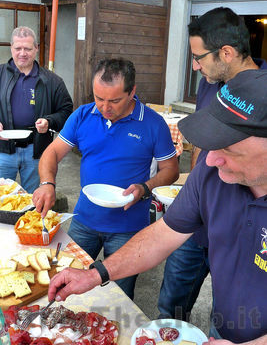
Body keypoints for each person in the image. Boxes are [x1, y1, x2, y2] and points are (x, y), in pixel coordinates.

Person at [48, 70, 267, 344]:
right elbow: (161, 235)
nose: (210, 160)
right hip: (222, 331)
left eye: (229, 150)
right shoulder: (210, 175)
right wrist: (96, 274)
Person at [33, 58, 179, 299]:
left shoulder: (153, 123)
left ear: (132, 91)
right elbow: (52, 152)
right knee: (66, 286)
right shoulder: (83, 115)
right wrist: (47, 183)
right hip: (84, 220)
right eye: (99, 98)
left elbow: (171, 170)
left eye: (114, 100)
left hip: (128, 228)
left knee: (117, 297)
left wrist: (146, 187)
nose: (104, 107)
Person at [158, 7, 267, 321]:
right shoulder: (209, 82)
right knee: (170, 305)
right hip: (195, 217)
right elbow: (206, 142)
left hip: (235, 230)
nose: (194, 66)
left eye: (199, 56)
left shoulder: (263, 92)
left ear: (227, 53)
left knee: (229, 316)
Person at [0, 26, 73, 193]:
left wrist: (50, 121)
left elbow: (67, 110)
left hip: (36, 150)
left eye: (27, 48)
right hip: (2, 150)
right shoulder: (0, 73)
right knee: (1, 200)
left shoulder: (53, 81)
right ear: (11, 48)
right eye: (18, 48)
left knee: (34, 200)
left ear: (36, 48)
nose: (22, 53)